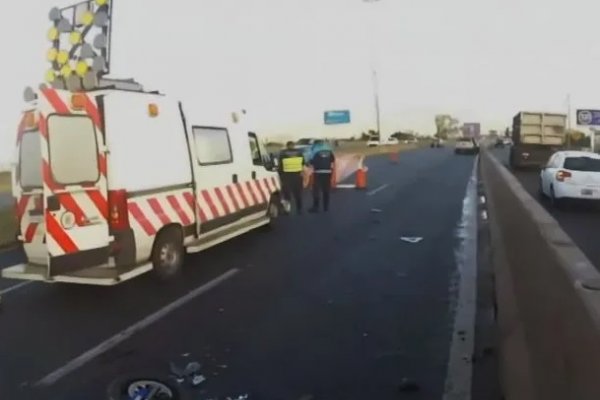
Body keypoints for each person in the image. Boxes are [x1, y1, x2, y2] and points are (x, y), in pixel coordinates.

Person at [308, 139, 335, 213]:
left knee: (316, 190)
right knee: (326, 190)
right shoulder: (329, 149)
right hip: (328, 172)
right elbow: (333, 160)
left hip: (318, 172)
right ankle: (326, 207)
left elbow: (311, 161)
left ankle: (316, 206)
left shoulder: (314, 149)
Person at [278, 141, 305, 214]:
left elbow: (280, 166)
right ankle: (299, 209)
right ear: (293, 146)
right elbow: (303, 164)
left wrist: (280, 175)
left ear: (287, 146)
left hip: (286, 176)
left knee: (287, 194)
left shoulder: (282, 153)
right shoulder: (300, 153)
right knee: (298, 193)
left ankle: (287, 210)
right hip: (297, 176)